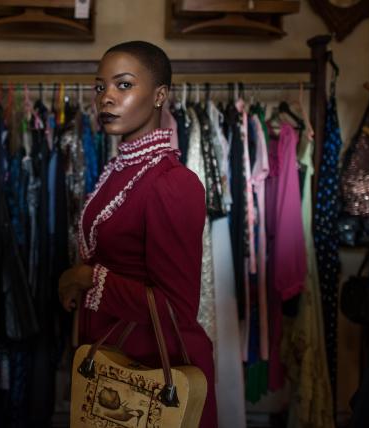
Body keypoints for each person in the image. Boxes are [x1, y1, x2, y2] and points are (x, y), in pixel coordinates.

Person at [58, 41, 217, 427]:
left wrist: (84, 277)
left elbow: (176, 308)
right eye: (100, 87)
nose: (107, 98)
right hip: (112, 355)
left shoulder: (173, 182)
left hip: (152, 367)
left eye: (124, 85)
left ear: (160, 95)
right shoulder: (118, 170)